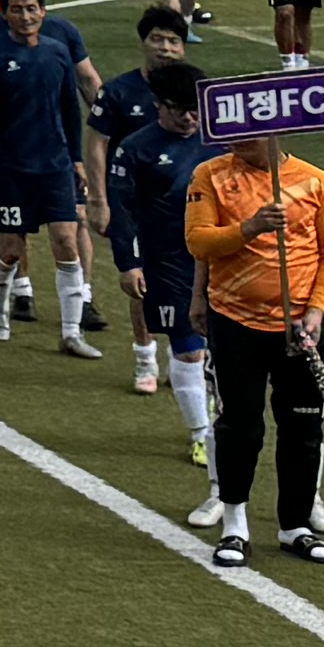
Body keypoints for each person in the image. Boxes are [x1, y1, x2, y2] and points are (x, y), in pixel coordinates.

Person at [186, 92, 324, 568]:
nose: (237, 141)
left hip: (300, 328)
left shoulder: (316, 182)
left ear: (275, 131)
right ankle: (234, 524)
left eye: (249, 133)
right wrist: (251, 227)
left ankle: (295, 525)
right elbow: (198, 241)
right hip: (234, 322)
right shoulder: (209, 176)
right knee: (241, 426)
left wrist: (317, 310)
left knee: (303, 426)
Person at [0, 0, 101, 356]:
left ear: (43, 12)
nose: (25, 16)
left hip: (55, 165)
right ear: (5, 14)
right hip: (10, 168)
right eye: (16, 9)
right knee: (11, 247)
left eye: (31, 9)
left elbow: (69, 108)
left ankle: (71, 332)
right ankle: (0, 312)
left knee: (66, 240)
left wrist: (77, 159)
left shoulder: (57, 52)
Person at [104, 50, 219, 470]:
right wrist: (128, 263)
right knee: (188, 349)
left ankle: (217, 418)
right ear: (158, 105)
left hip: (224, 257)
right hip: (169, 261)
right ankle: (201, 434)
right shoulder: (136, 149)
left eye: (194, 109)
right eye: (178, 110)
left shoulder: (221, 140)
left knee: (221, 350)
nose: (189, 118)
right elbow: (122, 212)